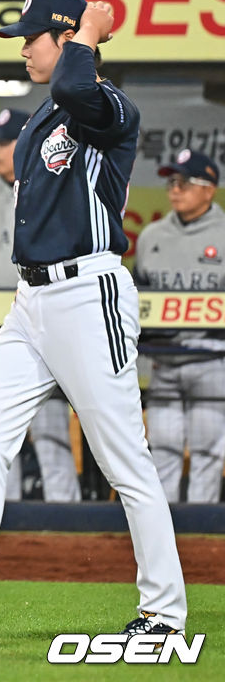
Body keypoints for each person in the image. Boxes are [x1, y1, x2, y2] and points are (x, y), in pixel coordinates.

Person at [0, 0, 187, 652]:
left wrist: (90, 32)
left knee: (124, 460)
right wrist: (81, 39)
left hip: (88, 293)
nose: (22, 48)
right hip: (31, 303)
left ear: (68, 39)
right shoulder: (44, 116)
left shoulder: (107, 106)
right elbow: (64, 90)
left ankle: (164, 612)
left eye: (32, 37)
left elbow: (80, 86)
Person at [0, 109, 80, 502]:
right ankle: (3, 514)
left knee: (50, 430)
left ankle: (65, 514)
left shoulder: (51, 188)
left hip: (39, 325)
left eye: (6, 141)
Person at [134, 149, 225, 503]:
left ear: (208, 189)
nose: (175, 189)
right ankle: (164, 529)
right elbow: (140, 298)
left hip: (211, 357)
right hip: (164, 361)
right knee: (162, 451)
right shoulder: (152, 235)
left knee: (207, 453)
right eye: (172, 182)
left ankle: (200, 531)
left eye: (184, 182)